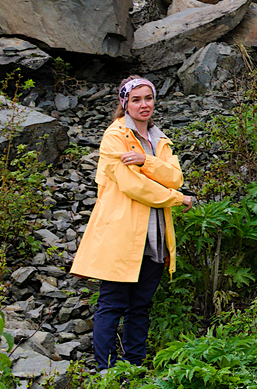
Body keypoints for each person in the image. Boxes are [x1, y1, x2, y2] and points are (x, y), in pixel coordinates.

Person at [70, 76, 196, 370]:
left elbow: (176, 177)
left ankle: (134, 365)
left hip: (155, 236)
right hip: (122, 235)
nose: (144, 105)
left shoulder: (159, 139)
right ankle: (107, 370)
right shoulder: (115, 136)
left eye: (148, 98)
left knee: (140, 306)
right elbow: (132, 186)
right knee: (112, 304)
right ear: (124, 103)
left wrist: (144, 160)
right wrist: (178, 199)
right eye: (136, 99)